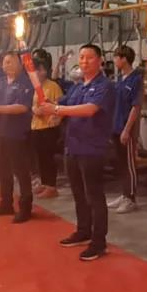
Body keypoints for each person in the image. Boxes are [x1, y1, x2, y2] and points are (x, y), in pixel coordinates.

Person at [36, 44, 114, 261]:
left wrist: (57, 109)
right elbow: (60, 104)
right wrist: (46, 105)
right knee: (79, 194)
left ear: (99, 60)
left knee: (94, 196)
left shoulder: (105, 86)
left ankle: (99, 242)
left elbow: (89, 110)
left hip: (92, 149)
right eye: (81, 57)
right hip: (73, 147)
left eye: (89, 57)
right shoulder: (77, 87)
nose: (84, 61)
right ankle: (83, 231)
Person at [0, 52, 35, 223]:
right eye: (6, 62)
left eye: (12, 62)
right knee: (2, 169)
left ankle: (25, 208)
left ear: (20, 65)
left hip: (18, 134)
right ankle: (6, 203)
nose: (8, 65)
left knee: (21, 171)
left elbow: (22, 107)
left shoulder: (26, 83)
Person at [107, 44, 143, 214]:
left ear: (124, 59)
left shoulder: (136, 79)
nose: (114, 60)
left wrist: (127, 130)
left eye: (116, 57)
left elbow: (136, 107)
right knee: (121, 164)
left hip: (126, 129)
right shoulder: (120, 79)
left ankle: (131, 198)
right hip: (116, 127)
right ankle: (124, 194)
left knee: (129, 165)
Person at [29, 49, 63, 199]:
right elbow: (32, 104)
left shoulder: (53, 86)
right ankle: (44, 183)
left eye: (41, 70)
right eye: (36, 70)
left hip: (49, 127)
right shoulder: (35, 87)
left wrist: (50, 111)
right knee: (40, 157)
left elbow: (60, 105)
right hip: (36, 126)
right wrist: (35, 110)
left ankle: (51, 186)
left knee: (48, 157)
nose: (39, 73)